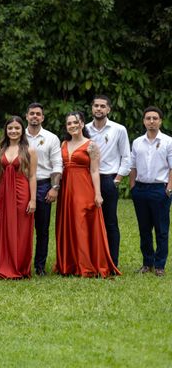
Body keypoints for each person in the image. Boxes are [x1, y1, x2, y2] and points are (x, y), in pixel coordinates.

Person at [55, 112, 119, 277]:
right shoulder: (63, 144)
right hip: (66, 190)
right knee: (68, 223)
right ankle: (69, 263)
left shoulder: (91, 145)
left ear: (82, 124)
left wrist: (98, 194)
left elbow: (95, 170)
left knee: (82, 224)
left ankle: (86, 265)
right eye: (69, 123)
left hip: (84, 188)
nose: (73, 126)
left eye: (76, 122)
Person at [0, 116, 37, 279]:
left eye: (17, 128)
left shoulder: (29, 151)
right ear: (6, 130)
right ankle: (2, 265)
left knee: (21, 230)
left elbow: (32, 176)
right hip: (3, 194)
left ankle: (19, 266)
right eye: (10, 128)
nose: (13, 131)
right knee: (3, 228)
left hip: (22, 193)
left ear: (22, 130)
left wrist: (33, 199)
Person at [86, 95, 131, 267]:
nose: (99, 109)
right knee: (89, 220)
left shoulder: (118, 129)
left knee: (110, 220)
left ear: (108, 109)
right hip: (87, 179)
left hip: (109, 178)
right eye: (96, 105)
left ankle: (112, 262)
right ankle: (92, 259)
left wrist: (117, 179)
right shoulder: (85, 129)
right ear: (92, 108)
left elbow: (126, 157)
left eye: (102, 106)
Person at [129, 106, 172, 277]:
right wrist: (132, 186)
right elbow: (132, 166)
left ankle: (160, 264)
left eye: (155, 118)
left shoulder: (168, 141)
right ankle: (147, 262)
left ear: (160, 121)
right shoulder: (137, 142)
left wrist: (169, 189)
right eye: (148, 118)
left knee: (161, 229)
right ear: (144, 121)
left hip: (159, 189)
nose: (151, 121)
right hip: (140, 189)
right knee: (144, 228)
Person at [25, 103, 63, 275]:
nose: (35, 116)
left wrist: (54, 188)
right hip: (21, 186)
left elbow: (57, 165)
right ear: (26, 116)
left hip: (43, 185)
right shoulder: (18, 135)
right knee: (21, 228)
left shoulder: (51, 138)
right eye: (32, 113)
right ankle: (20, 262)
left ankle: (39, 266)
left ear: (42, 117)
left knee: (42, 228)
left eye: (38, 114)